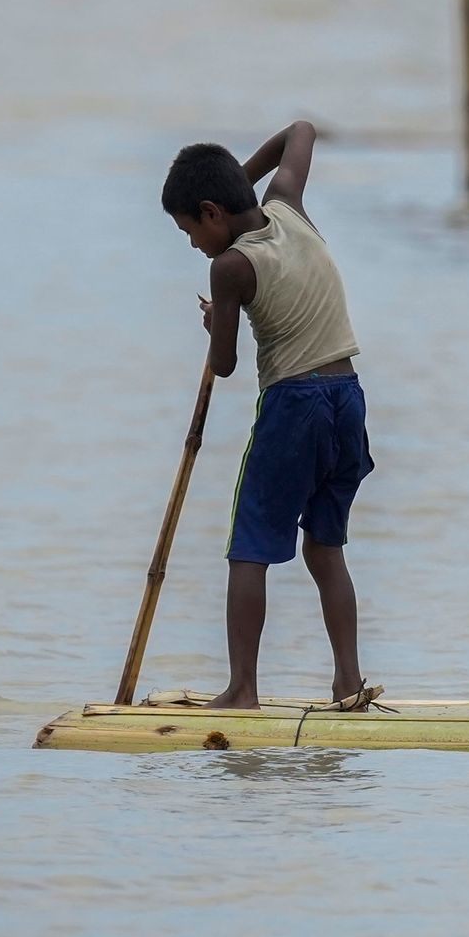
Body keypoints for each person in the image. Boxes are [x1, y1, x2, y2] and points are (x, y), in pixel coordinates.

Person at [162, 120, 374, 711]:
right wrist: (244, 187)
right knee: (324, 548)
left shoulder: (230, 266)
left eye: (189, 229)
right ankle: (348, 684)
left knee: (250, 547)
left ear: (211, 213)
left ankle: (242, 690)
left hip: (294, 405)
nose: (193, 244)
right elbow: (300, 131)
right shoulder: (289, 208)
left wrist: (215, 323)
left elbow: (225, 364)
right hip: (348, 395)